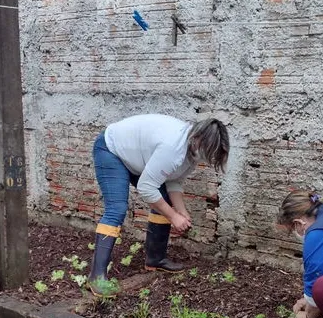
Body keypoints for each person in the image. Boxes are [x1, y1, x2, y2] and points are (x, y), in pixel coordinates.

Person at [88, 114, 229, 296]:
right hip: (111, 149)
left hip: (136, 157)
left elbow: (173, 181)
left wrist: (181, 211)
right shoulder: (173, 148)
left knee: (164, 199)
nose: (208, 159)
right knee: (117, 209)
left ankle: (155, 259)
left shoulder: (192, 150)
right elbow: (146, 188)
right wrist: (173, 216)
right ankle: (96, 277)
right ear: (199, 140)